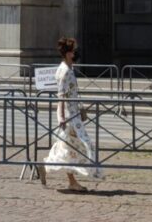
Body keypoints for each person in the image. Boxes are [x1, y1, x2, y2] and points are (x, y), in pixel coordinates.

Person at [40, 36, 100, 193]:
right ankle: (69, 178)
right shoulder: (65, 71)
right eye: (74, 50)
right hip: (69, 116)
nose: (77, 52)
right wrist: (61, 116)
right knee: (84, 145)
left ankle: (51, 169)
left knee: (68, 148)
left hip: (73, 114)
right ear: (68, 53)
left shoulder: (67, 68)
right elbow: (61, 95)